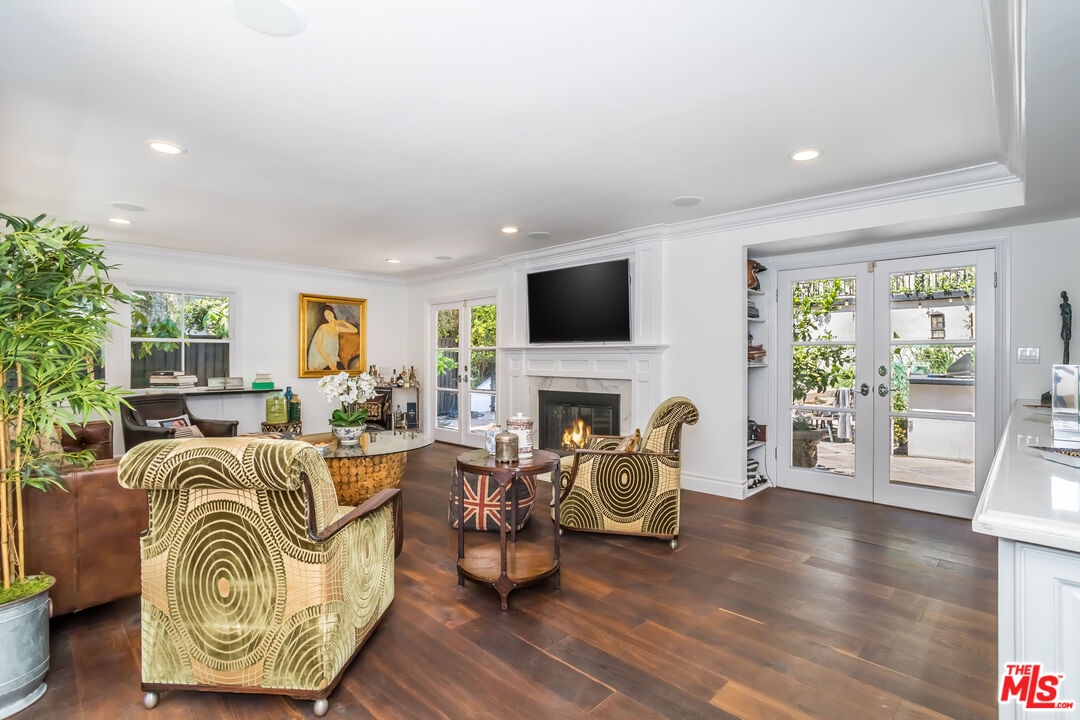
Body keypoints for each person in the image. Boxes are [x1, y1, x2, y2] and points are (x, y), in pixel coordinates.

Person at [307, 305, 358, 371]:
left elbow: (354, 330)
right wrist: (330, 363)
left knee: (344, 372)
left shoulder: (337, 328)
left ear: (333, 313)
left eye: (329, 313)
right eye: (326, 315)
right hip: (322, 359)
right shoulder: (323, 328)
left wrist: (343, 322)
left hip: (334, 358)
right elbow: (319, 346)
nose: (328, 316)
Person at [1062, 291, 1073, 364]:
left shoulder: (1068, 306)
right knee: (1065, 346)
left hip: (1067, 328)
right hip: (1064, 327)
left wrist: (1069, 329)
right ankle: (1065, 363)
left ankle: (1066, 363)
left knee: (1066, 346)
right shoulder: (1061, 306)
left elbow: (1069, 318)